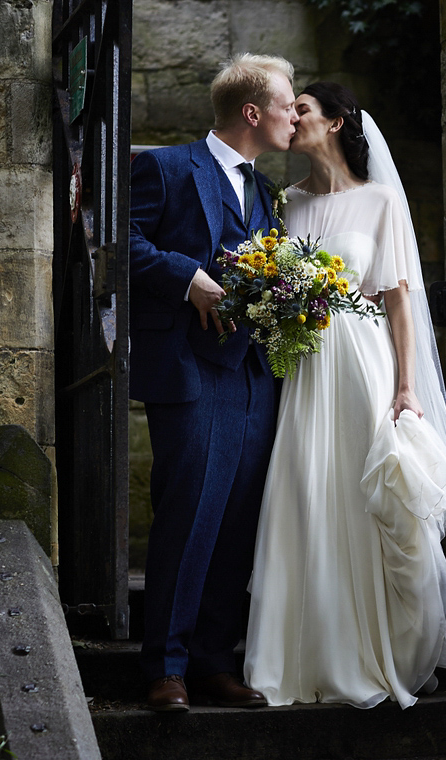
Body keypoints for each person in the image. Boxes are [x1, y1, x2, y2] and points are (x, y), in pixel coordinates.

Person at [243, 82, 446, 709]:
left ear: (337, 122)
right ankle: (303, 656)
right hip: (302, 371)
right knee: (305, 490)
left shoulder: (379, 202)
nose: (291, 118)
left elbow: (401, 302)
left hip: (363, 365)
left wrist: (406, 386)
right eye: (287, 109)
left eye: (302, 110)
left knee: (367, 493)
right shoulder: (282, 203)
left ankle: (378, 649)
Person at [128, 53, 297, 712]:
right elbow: (118, 243)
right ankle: (163, 667)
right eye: (287, 103)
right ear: (253, 112)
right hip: (191, 372)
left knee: (238, 519)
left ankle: (212, 661)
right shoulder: (166, 168)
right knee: (189, 513)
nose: (295, 114)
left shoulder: (270, 193)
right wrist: (186, 275)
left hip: (256, 373)